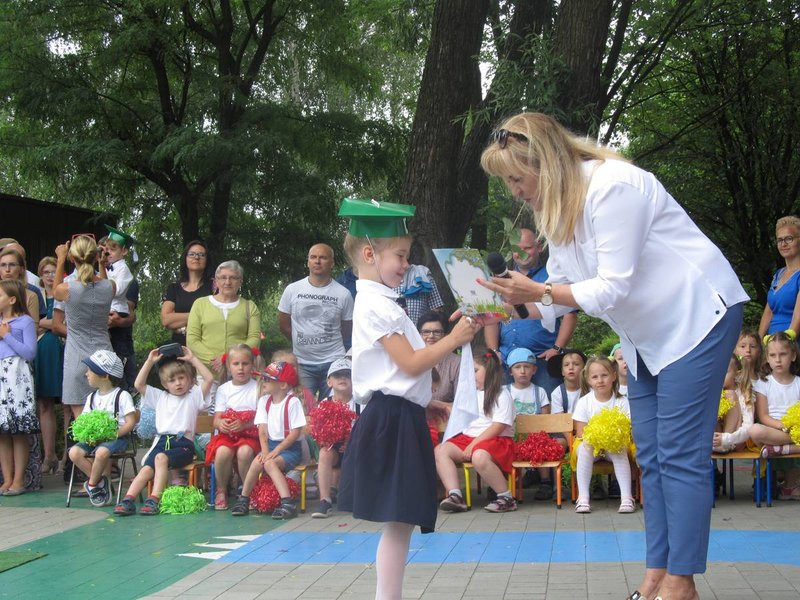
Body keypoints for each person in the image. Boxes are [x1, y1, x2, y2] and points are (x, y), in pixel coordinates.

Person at [479, 112, 748, 600]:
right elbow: (558, 296)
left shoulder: (614, 186)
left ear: (547, 162)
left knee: (680, 454)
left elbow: (611, 287)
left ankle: (681, 582)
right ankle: (657, 572)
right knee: (650, 453)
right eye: (508, 183)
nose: (515, 192)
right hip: (645, 337)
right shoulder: (555, 211)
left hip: (697, 317)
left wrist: (540, 289)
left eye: (517, 178)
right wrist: (511, 300)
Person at [335, 198, 480, 599]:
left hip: (400, 415)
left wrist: (425, 402)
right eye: (400, 255)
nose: (405, 264)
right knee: (398, 520)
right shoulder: (374, 306)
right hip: (391, 420)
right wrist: (453, 340)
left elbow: (401, 372)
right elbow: (412, 363)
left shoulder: (383, 302)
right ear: (369, 253)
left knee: (400, 522)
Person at [114, 345, 214, 515]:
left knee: (160, 458)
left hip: (182, 444)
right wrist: (149, 361)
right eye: (172, 380)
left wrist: (192, 359)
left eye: (182, 378)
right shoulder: (160, 397)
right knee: (146, 468)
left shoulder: (193, 396)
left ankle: (154, 499)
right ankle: (128, 500)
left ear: (190, 380)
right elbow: (138, 384)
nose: (178, 383)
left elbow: (209, 378)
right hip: (161, 442)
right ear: (164, 384)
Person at [484, 228, 577, 394]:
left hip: (542, 359)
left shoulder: (552, 277)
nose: (522, 253)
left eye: (527, 248)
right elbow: (493, 317)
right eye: (517, 250)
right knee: (505, 413)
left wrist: (557, 348)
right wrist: (494, 351)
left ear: (539, 247)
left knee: (546, 413)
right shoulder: (500, 279)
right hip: (506, 360)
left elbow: (569, 314)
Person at [436, 350, 517, 514]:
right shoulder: (470, 395)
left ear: (490, 370)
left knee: (479, 456)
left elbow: (498, 426)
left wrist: (474, 445)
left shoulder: (502, 394)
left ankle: (506, 497)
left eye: (474, 370)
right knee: (440, 450)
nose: (470, 375)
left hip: (496, 440)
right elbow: (455, 411)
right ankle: (455, 495)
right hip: (469, 440)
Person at [231, 360, 306, 519]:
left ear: (283, 385)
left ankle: (287, 503)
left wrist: (276, 452)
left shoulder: (293, 402)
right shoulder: (264, 401)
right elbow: (262, 430)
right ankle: (244, 498)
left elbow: (294, 433)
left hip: (289, 448)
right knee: (258, 461)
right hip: (270, 445)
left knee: (270, 463)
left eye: (268, 379)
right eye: (264, 378)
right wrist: (265, 452)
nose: (263, 381)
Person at [278, 243, 354, 399]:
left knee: (335, 410)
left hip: (334, 361)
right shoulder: (292, 290)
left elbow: (347, 329)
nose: (317, 261)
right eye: (313, 257)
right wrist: (301, 340)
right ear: (308, 262)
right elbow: (284, 325)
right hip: (303, 363)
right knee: (304, 412)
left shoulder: (343, 294)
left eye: (323, 257)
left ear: (332, 263)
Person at [54, 236, 115, 424]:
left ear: (73, 258)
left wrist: (60, 259)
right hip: (104, 356)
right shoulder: (110, 286)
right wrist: (102, 264)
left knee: (82, 422)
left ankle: (85, 452)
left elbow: (55, 289)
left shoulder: (68, 288)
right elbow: (103, 285)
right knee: (105, 418)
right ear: (95, 255)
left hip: (76, 356)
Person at [67, 350, 136, 506]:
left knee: (101, 452)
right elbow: (84, 420)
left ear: (105, 376)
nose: (86, 374)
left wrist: (114, 434)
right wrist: (87, 434)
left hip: (117, 438)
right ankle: (100, 483)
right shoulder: (91, 397)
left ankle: (91, 485)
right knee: (74, 452)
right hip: (94, 439)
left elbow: (131, 422)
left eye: (91, 371)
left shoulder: (122, 395)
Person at [571, 356, 634, 514]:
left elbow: (627, 428)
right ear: (588, 380)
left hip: (614, 445)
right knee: (585, 448)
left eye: (604, 375)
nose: (600, 380)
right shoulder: (584, 402)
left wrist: (611, 440)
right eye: (595, 377)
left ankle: (627, 498)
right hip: (591, 444)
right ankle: (583, 497)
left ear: (613, 376)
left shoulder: (622, 402)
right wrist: (597, 440)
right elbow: (580, 432)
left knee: (618, 448)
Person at [186, 260, 261, 389]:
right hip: (206, 376)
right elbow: (192, 340)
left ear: (240, 281)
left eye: (233, 278)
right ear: (216, 281)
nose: (227, 282)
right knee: (206, 409)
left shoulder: (250, 306)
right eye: (223, 278)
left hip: (240, 376)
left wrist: (227, 358)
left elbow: (254, 339)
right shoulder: (200, 304)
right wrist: (216, 361)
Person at [205, 344, 260, 511]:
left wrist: (245, 424)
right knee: (222, 452)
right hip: (228, 434)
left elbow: (263, 418)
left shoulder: (258, 387)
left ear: (253, 365)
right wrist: (221, 423)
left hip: (251, 434)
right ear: (228, 367)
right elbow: (216, 419)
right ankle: (221, 490)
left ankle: (247, 491)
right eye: (236, 364)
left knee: (244, 452)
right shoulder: (223, 389)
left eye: (245, 363)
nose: (241, 368)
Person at [748, 331, 800, 499]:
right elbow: (763, 416)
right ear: (767, 359)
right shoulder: (764, 383)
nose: (778, 360)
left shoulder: (798, 383)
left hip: (795, 429)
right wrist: (782, 426)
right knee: (755, 430)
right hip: (775, 430)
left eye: (783, 354)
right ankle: (787, 448)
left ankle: (780, 452)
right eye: (773, 355)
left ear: (793, 356)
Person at [0, 280, 39, 495]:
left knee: (18, 430)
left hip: (17, 378)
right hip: (0, 379)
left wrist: (6, 336)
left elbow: (30, 353)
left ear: (12, 299)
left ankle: (18, 480)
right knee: (3, 432)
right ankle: (6, 479)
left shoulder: (24, 322)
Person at [311, 357, 358, 519]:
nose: (343, 378)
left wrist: (351, 443)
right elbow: (318, 434)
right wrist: (327, 441)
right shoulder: (324, 403)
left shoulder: (362, 402)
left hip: (357, 449)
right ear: (329, 381)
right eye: (338, 375)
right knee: (324, 452)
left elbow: (368, 431)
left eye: (347, 374)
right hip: (335, 449)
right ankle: (325, 500)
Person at [504, 347, 553, 498]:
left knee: (541, 443)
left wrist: (539, 433)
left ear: (534, 370)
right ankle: (502, 483)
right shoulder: (504, 391)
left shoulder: (540, 392)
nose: (523, 371)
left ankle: (545, 482)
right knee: (501, 446)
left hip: (534, 435)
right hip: (511, 434)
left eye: (527, 367)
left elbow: (544, 419)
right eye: (518, 367)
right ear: (511, 371)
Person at [35, 257, 64, 474]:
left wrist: (43, 322)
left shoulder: (65, 291)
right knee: (44, 404)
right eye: (46, 272)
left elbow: (62, 323)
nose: (50, 276)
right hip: (42, 351)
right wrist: (49, 323)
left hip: (63, 348)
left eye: (53, 271)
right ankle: (49, 455)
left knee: (69, 404)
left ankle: (69, 456)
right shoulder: (36, 295)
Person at [161, 240, 215, 346]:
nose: (196, 257)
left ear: (207, 260)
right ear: (185, 258)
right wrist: (199, 316)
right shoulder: (174, 288)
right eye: (192, 254)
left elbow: (215, 318)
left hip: (207, 346)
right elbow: (166, 320)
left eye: (201, 254)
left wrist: (180, 323)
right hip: (179, 348)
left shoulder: (215, 286)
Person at [759, 216, 800, 337]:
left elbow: (798, 316)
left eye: (789, 239)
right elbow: (769, 311)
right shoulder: (779, 274)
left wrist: (787, 340)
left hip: (792, 346)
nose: (783, 244)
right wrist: (759, 342)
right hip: (774, 345)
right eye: (780, 240)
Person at [712, 354, 756, 454]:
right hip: (714, 439)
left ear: (736, 373)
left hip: (734, 439)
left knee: (729, 394)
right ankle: (714, 440)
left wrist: (727, 438)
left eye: (724, 372)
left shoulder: (744, 392)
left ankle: (723, 443)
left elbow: (748, 426)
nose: (719, 376)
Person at [417, 311, 460, 404]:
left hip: (445, 416)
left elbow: (461, 403)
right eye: (426, 332)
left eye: (437, 332)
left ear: (445, 335)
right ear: (418, 335)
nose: (431, 336)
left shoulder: (457, 363)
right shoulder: (411, 359)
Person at [393, 263, 444, 328]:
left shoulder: (423, 275)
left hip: (421, 332)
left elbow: (436, 309)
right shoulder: (384, 279)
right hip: (394, 333)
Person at [0, 247, 41, 327]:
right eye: (3, 265)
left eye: (12, 265)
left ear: (22, 269)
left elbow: (33, 331)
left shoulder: (31, 296)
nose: (7, 269)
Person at [548, 349, 587, 415]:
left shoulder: (591, 390)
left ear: (584, 370)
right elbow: (559, 419)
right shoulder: (557, 393)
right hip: (564, 424)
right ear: (562, 372)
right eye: (566, 365)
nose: (571, 367)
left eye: (576, 364)